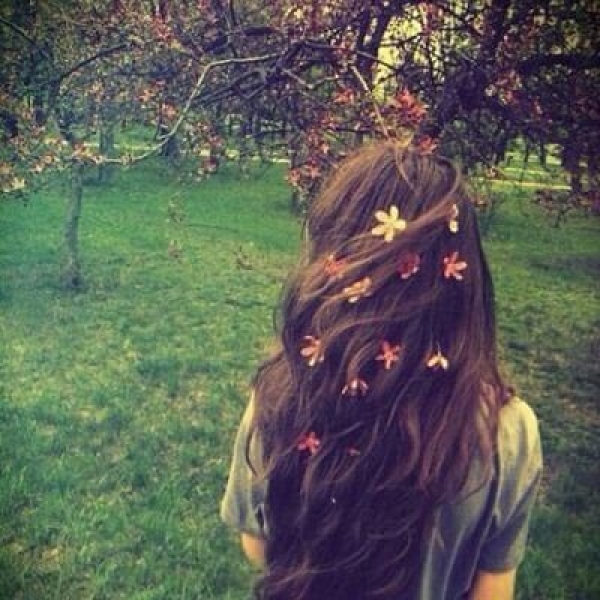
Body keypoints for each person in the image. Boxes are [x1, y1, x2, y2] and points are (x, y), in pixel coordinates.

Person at [220, 142, 542, 599]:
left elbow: (257, 545)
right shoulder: (506, 428)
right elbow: (492, 591)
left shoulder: (279, 395)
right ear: (460, 280)